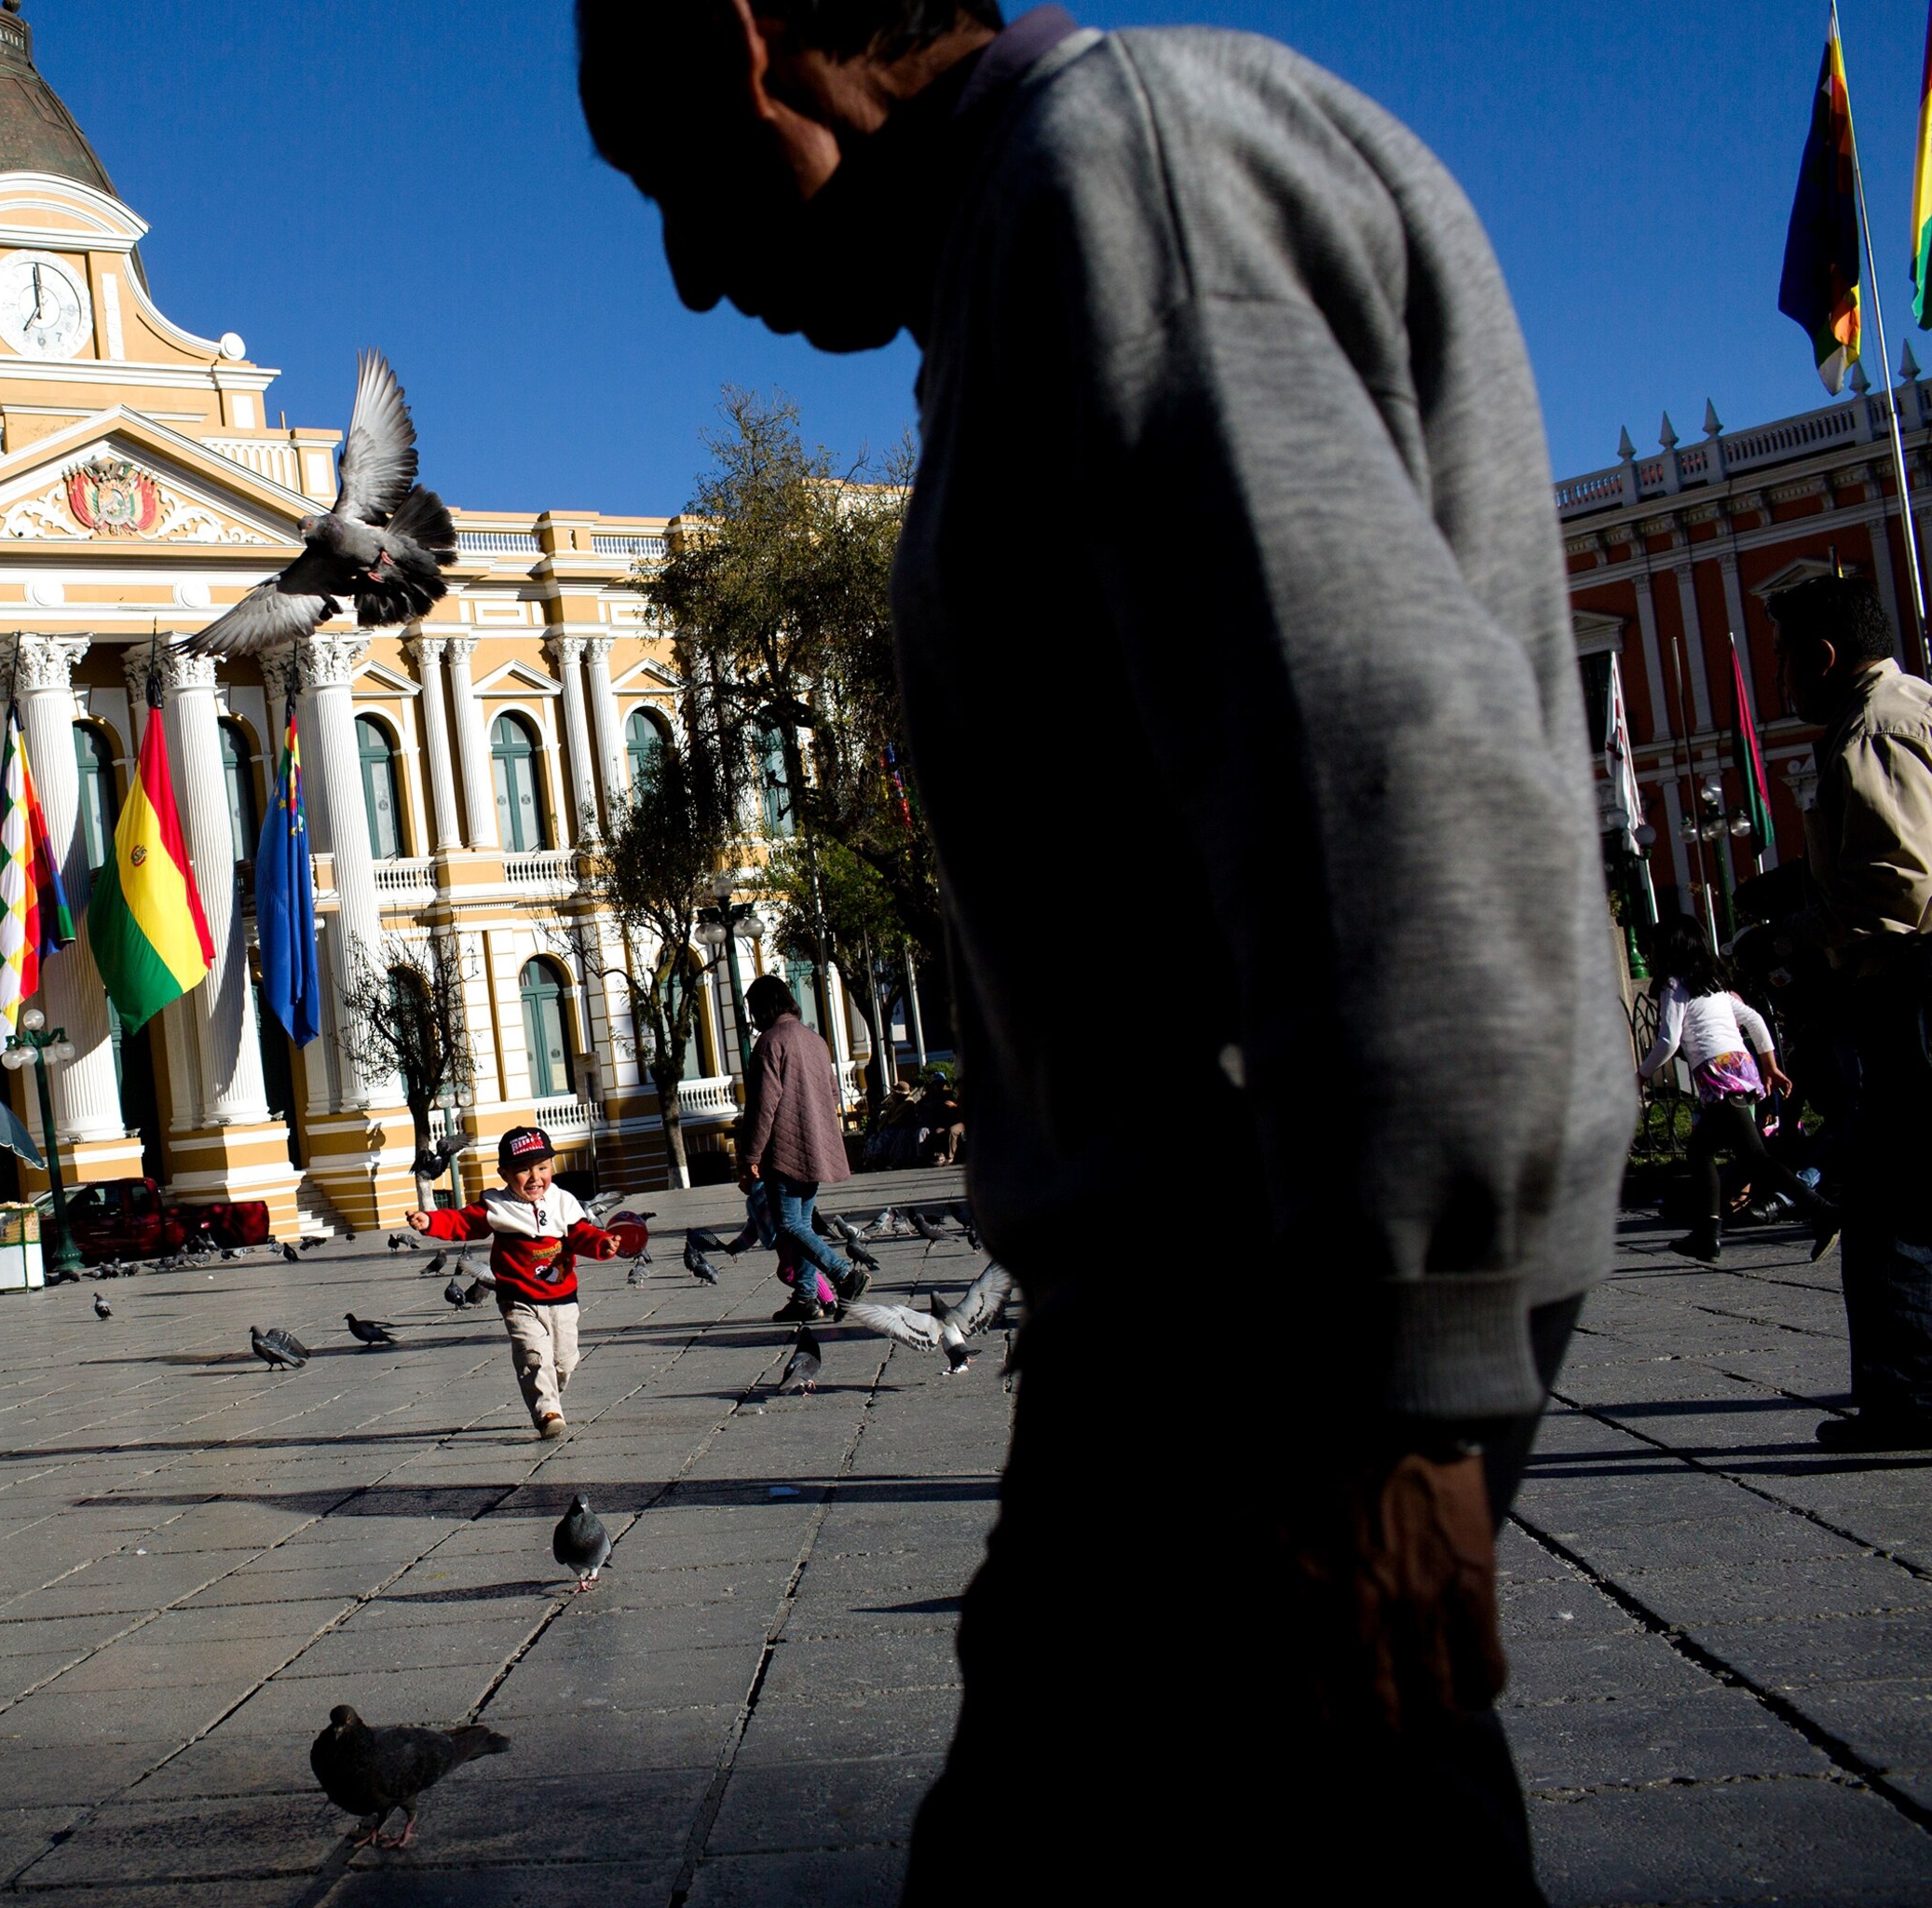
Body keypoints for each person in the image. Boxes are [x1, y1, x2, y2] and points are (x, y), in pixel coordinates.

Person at [577, 7, 1632, 1901]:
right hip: (1204, 1331)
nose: (686, 269)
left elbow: (1383, 778)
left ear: (753, 44)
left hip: (1260, 1343)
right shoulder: (1047, 229)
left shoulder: (1117, 178)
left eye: (668, 181)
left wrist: (1403, 1391)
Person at [1764, 576, 1932, 1451]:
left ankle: (1911, 1399)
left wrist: (1792, 935)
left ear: (1824, 656)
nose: (1779, 680)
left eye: (1784, 660)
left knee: (1894, 1198)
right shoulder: (1920, 706)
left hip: (1912, 981)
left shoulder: (1868, 730)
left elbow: (1894, 886)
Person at [406, 1127, 625, 1440]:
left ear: (552, 1166)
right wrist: (431, 1222)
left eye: (542, 1168)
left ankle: (550, 1391)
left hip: (562, 1297)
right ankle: (546, 1412)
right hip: (517, 1296)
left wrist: (602, 1244)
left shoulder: (563, 1201)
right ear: (505, 1173)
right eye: (523, 1170)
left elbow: (581, 1234)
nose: (535, 1177)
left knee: (564, 1361)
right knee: (533, 1354)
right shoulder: (496, 1206)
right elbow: (463, 1222)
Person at [1636, 934, 1838, 1265]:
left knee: (1756, 1156)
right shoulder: (1713, 985)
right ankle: (1706, 1235)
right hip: (1738, 1067)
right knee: (1701, 1151)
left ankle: (1823, 1212)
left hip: (1718, 1074)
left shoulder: (1674, 983)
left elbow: (1668, 1040)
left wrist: (1640, 1076)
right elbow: (1755, 1020)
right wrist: (1769, 1064)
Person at [732, 976, 864, 1324]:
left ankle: (843, 1274)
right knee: (803, 1223)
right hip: (817, 1145)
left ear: (765, 1007)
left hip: (785, 1151)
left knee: (790, 1225)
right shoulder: (815, 1040)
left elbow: (763, 1107)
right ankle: (806, 1297)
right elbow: (833, 1095)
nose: (752, 1018)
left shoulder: (770, 1043)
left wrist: (750, 1157)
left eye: (753, 1009)